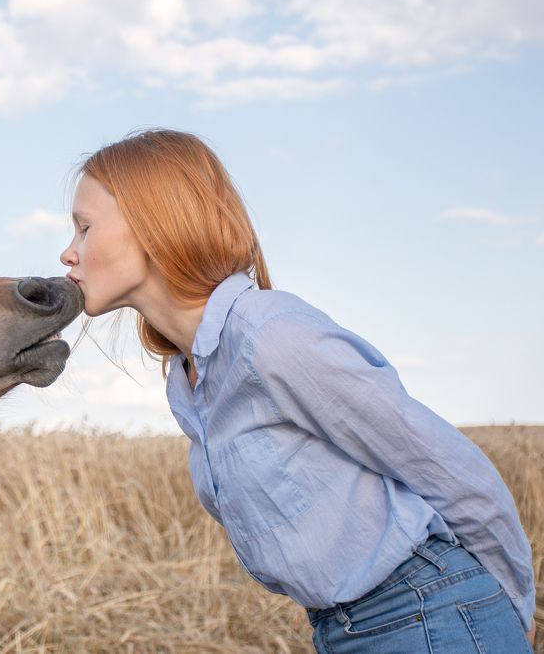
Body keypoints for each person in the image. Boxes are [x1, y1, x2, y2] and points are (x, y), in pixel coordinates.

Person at [59, 128, 536, 652]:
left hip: (431, 613)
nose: (68, 252)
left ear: (155, 222)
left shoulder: (270, 335)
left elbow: (448, 468)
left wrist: (513, 611)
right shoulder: (189, 376)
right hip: (345, 630)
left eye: (84, 228)